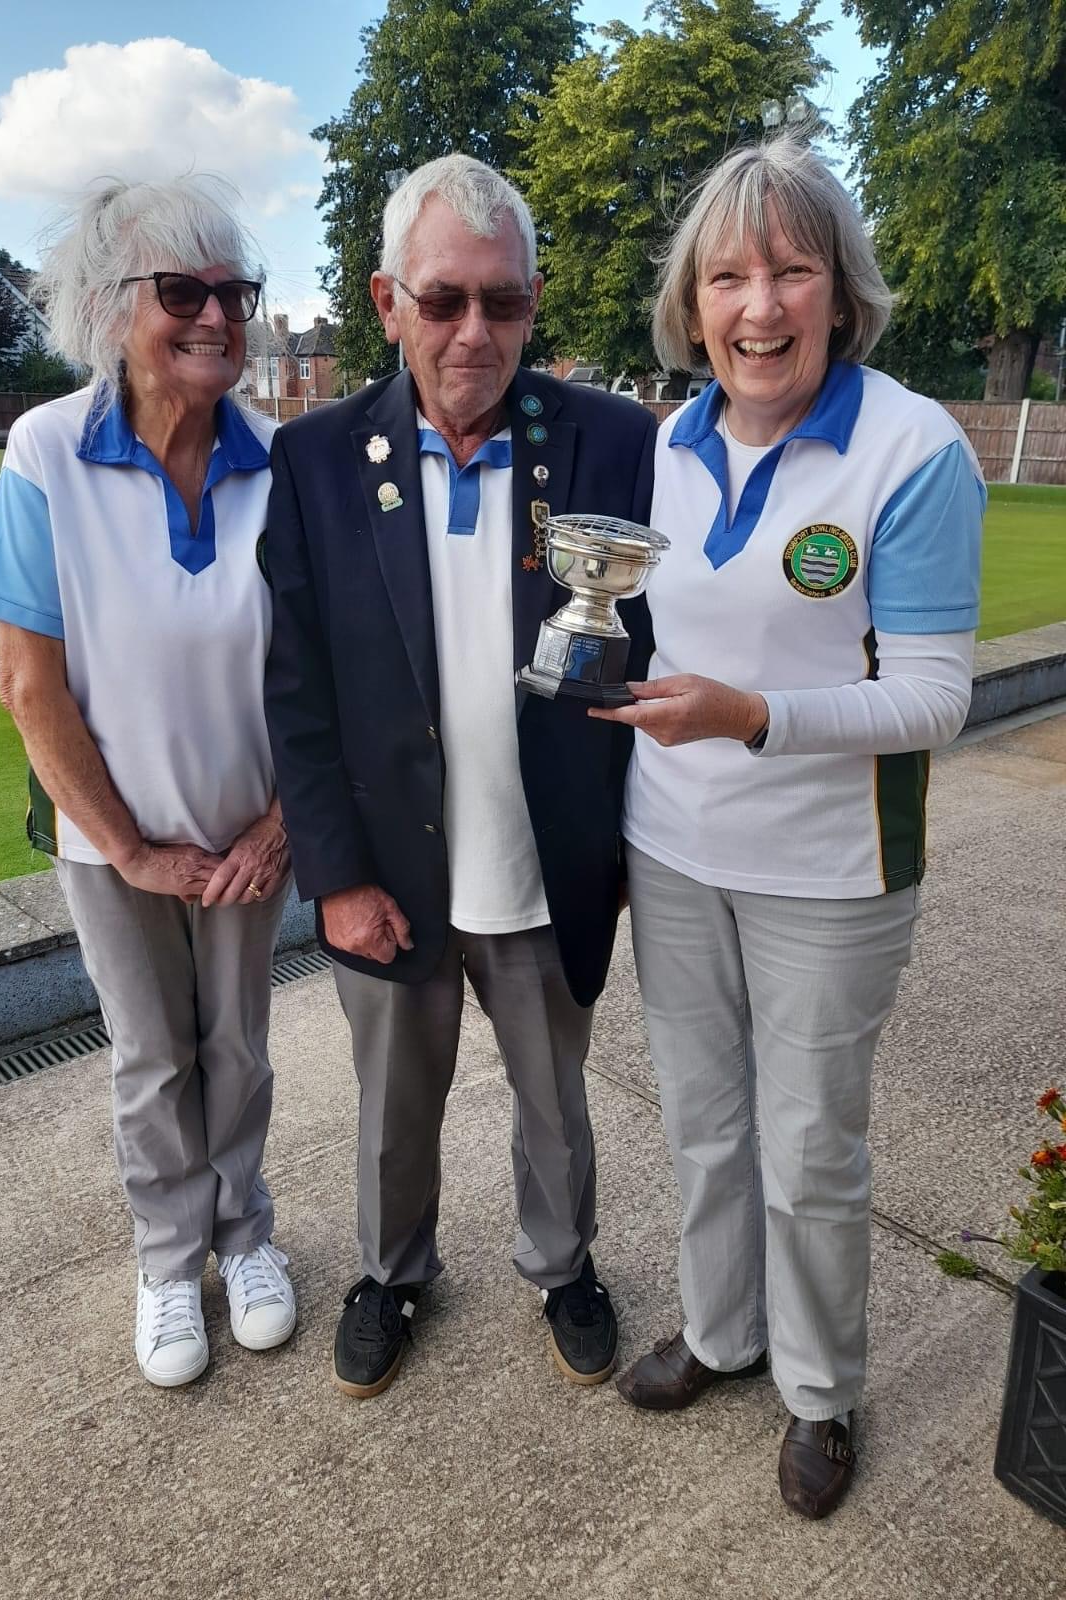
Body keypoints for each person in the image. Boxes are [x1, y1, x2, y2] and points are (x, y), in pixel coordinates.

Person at [591, 135, 984, 1517]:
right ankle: (721, 1333)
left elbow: (936, 697)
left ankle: (821, 1393)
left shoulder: (912, 448)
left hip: (832, 867)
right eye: (731, 275)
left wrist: (754, 716)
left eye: (791, 270)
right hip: (677, 849)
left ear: (841, 291)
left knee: (810, 1146)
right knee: (704, 1125)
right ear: (695, 304)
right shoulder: (670, 443)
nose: (761, 306)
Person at [261, 154, 657, 1398]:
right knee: (391, 1107)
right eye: (444, 301)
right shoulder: (316, 458)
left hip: (547, 859)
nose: (476, 331)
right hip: (389, 864)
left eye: (504, 301)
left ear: (535, 301)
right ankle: (392, 1272)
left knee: (556, 1102)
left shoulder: (614, 440)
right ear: (389, 302)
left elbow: (667, 646)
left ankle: (565, 1264)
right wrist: (329, 878)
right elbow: (298, 691)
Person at [0, 176, 295, 1389]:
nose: (215, 315)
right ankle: (169, 1259)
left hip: (247, 833)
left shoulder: (280, 461)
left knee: (242, 1047)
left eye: (233, 291)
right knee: (152, 1056)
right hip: (113, 843)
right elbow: (27, 683)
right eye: (182, 291)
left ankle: (244, 1232)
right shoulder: (46, 449)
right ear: (114, 309)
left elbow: (319, 677)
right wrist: (131, 846)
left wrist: (278, 823)